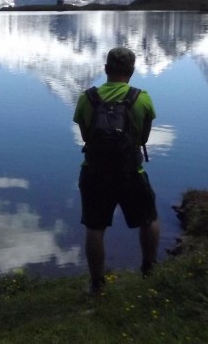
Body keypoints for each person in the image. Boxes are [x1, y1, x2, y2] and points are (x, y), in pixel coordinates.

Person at [73, 46, 160, 295]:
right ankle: (149, 269)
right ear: (131, 71)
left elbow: (86, 136)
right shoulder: (141, 98)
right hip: (130, 172)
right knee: (149, 219)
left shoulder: (86, 98)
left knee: (95, 227)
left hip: (94, 172)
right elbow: (143, 138)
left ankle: (97, 284)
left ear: (105, 69)